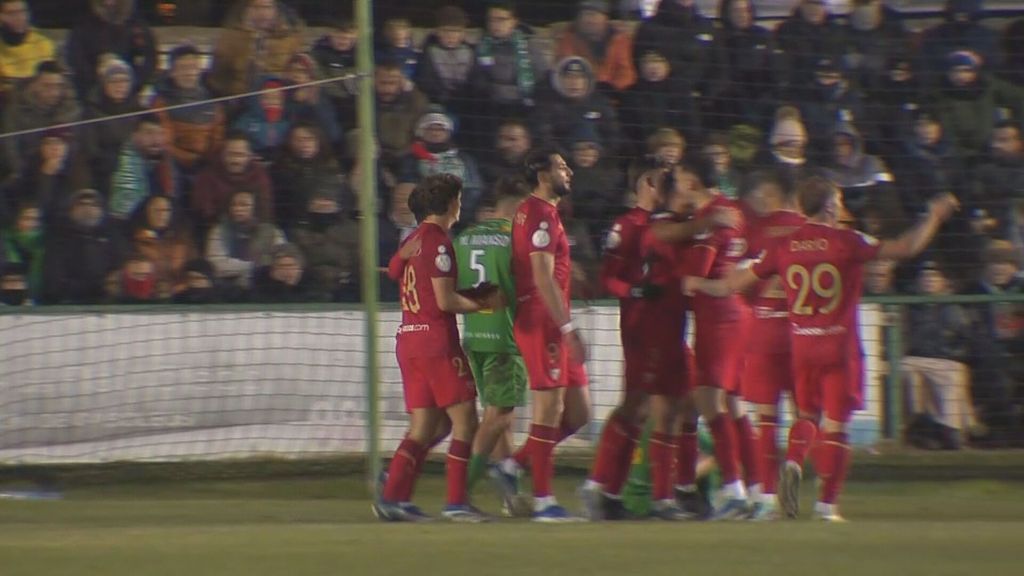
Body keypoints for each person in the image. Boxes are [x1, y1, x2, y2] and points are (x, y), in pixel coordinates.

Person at [684, 176, 959, 521]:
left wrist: (697, 283)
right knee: (836, 426)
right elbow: (904, 248)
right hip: (838, 347)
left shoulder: (784, 245)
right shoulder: (847, 240)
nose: (842, 206)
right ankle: (827, 505)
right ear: (829, 205)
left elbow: (733, 285)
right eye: (839, 200)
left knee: (807, 417)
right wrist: (933, 215)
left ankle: (794, 463)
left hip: (803, 346)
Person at [374, 173, 502, 523]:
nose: (461, 205)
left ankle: (392, 497)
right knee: (465, 423)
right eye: (458, 199)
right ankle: (457, 502)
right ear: (449, 204)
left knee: (429, 427)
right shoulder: (440, 242)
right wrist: (484, 303)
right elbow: (444, 301)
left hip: (409, 340)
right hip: (436, 342)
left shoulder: (414, 238)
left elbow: (394, 271)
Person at [580, 158, 692, 520]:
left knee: (659, 407)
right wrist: (636, 292)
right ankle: (608, 487)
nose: (671, 189)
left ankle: (611, 491)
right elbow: (608, 279)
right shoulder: (626, 225)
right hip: (642, 328)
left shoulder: (673, 226)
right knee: (644, 407)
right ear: (646, 184)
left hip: (673, 326)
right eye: (664, 182)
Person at [654, 161, 754, 519]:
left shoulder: (710, 220)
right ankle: (753, 489)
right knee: (724, 406)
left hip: (718, 319)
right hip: (734, 315)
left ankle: (735, 491)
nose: (675, 183)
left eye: (680, 176)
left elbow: (691, 278)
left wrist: (672, 270)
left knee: (710, 404)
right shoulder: (729, 210)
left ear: (693, 179)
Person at [502, 148, 591, 522]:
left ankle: (514, 465)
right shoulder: (539, 214)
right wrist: (567, 328)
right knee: (549, 411)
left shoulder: (541, 212)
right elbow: (541, 276)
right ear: (542, 174)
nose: (568, 170)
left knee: (579, 413)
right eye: (560, 165)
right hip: (543, 320)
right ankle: (542, 500)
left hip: (551, 317)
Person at [453, 176, 531, 514]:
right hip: (506, 336)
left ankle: (510, 497)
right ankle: (460, 494)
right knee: (500, 416)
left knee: (498, 416)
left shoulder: (466, 236)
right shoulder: (517, 238)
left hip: (474, 334)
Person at [736, 171, 805, 520]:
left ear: (772, 193)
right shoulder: (809, 231)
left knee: (766, 419)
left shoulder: (756, 231)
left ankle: (765, 497)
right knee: (806, 412)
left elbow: (743, 283)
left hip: (764, 330)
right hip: (804, 332)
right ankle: (795, 462)